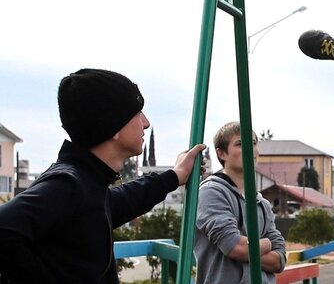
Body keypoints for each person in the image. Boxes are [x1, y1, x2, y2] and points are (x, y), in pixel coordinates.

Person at [0, 68, 205, 284]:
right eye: (137, 113)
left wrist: (175, 175)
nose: (145, 122)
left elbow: (121, 201)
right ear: (113, 126)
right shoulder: (69, 185)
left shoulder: (86, 185)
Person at [194, 121, 286, 283]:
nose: (250, 149)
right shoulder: (211, 193)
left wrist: (250, 248)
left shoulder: (262, 203)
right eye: (240, 144)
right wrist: (266, 243)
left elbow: (280, 261)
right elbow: (235, 248)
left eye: (253, 143)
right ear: (221, 153)